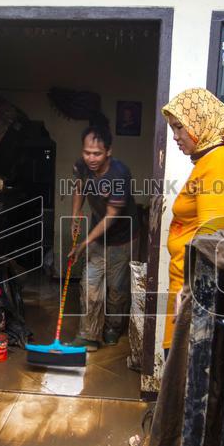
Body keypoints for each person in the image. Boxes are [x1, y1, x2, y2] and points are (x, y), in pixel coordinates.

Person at [129, 87, 224, 446]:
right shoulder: (210, 161)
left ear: (200, 124)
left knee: (185, 377)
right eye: (173, 129)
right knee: (178, 375)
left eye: (180, 128)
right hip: (188, 292)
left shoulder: (219, 165)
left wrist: (194, 299)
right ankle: (161, 444)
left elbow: (214, 241)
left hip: (196, 297)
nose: (177, 137)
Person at [66, 125, 138, 351]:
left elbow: (111, 217)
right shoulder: (82, 166)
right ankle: (88, 335)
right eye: (87, 152)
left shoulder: (119, 174)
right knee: (90, 284)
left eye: (96, 153)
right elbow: (79, 187)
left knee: (116, 290)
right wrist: (76, 213)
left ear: (108, 151)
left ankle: (112, 328)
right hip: (99, 236)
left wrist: (84, 243)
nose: (91, 158)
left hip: (123, 237)